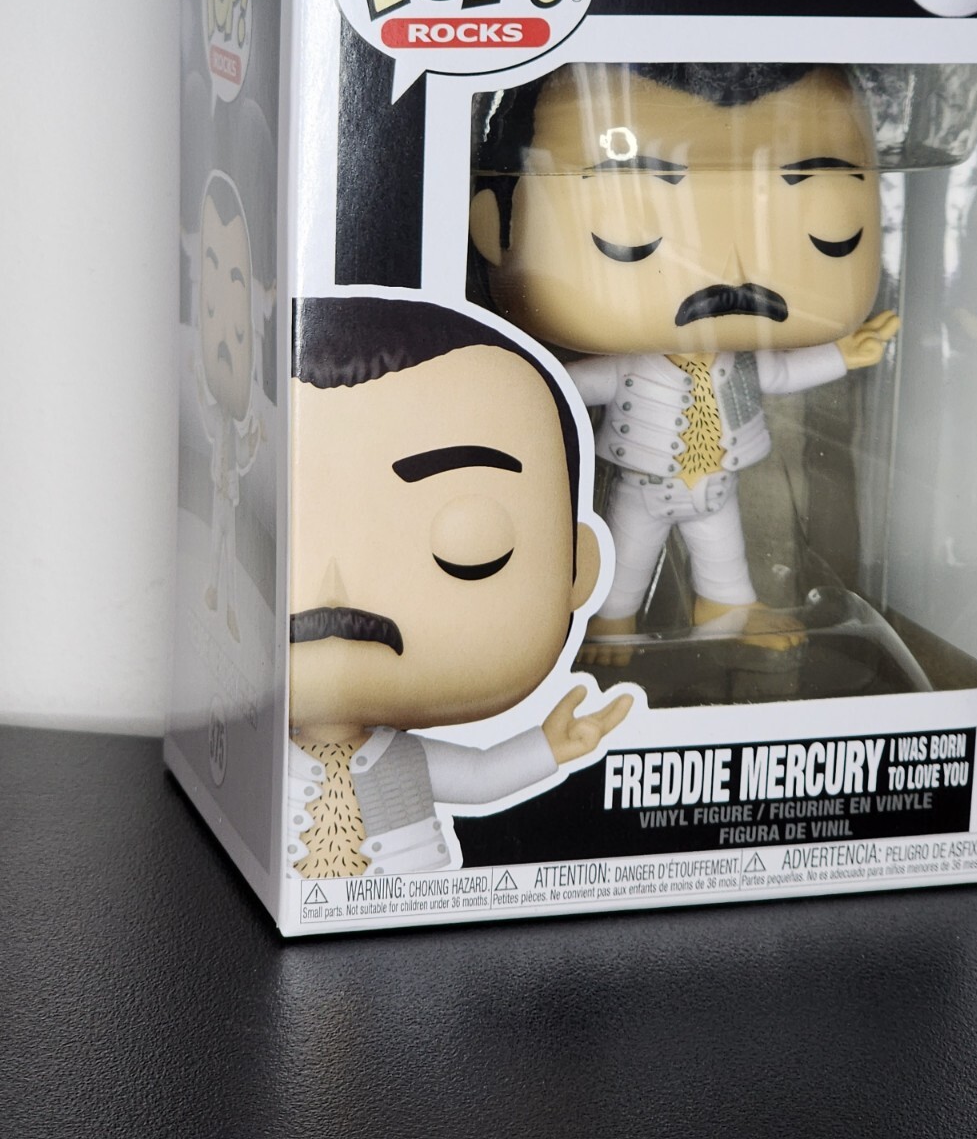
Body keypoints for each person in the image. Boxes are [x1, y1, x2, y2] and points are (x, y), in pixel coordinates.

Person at [469, 61, 899, 660]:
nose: (731, 275)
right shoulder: (627, 366)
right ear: (493, 228)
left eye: (830, 231)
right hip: (642, 486)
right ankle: (611, 620)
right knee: (626, 556)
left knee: (724, 555)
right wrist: (512, 383)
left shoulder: (739, 364)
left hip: (716, 485)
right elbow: (567, 386)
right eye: (629, 234)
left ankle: (727, 608)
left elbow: (780, 374)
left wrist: (843, 355)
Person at [286, 296, 630, 877]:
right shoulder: (263, 763)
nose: (333, 584)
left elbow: (480, 776)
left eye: (469, 549)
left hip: (408, 908)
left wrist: (548, 747)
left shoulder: (406, 758)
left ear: (578, 568)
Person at [195, 172, 262, 644]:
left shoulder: (232, 420)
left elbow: (239, 454)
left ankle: (228, 601)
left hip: (229, 493)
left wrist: (253, 438)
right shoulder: (217, 415)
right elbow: (211, 426)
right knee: (219, 538)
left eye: (239, 334)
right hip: (222, 491)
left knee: (228, 540)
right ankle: (215, 590)